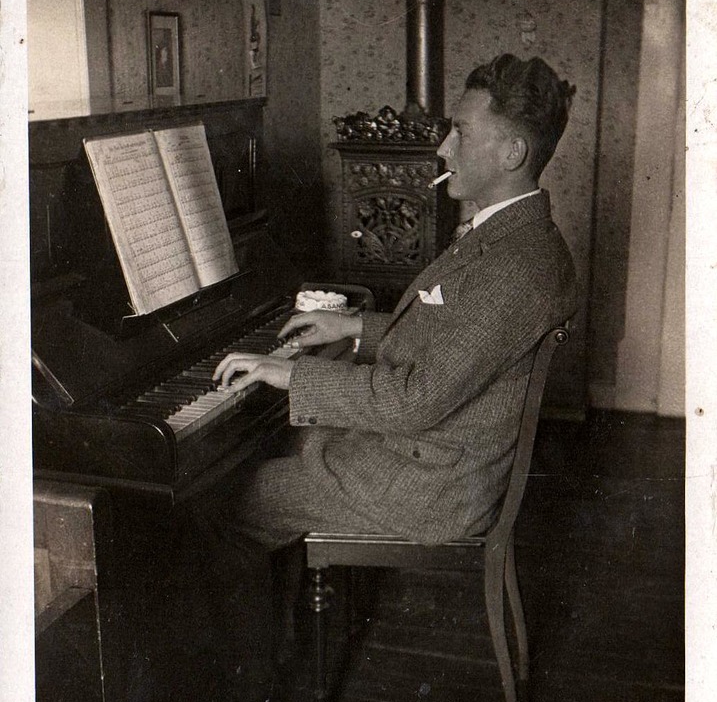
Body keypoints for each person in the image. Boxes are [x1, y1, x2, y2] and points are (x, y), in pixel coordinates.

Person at [210, 54, 578, 553]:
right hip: (429, 458)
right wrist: (353, 327)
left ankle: (253, 624)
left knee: (235, 494)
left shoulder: (516, 264)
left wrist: (290, 375)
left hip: (428, 488)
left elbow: (416, 399)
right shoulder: (513, 235)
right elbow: (452, 336)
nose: (444, 148)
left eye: (461, 132)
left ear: (512, 153)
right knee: (267, 453)